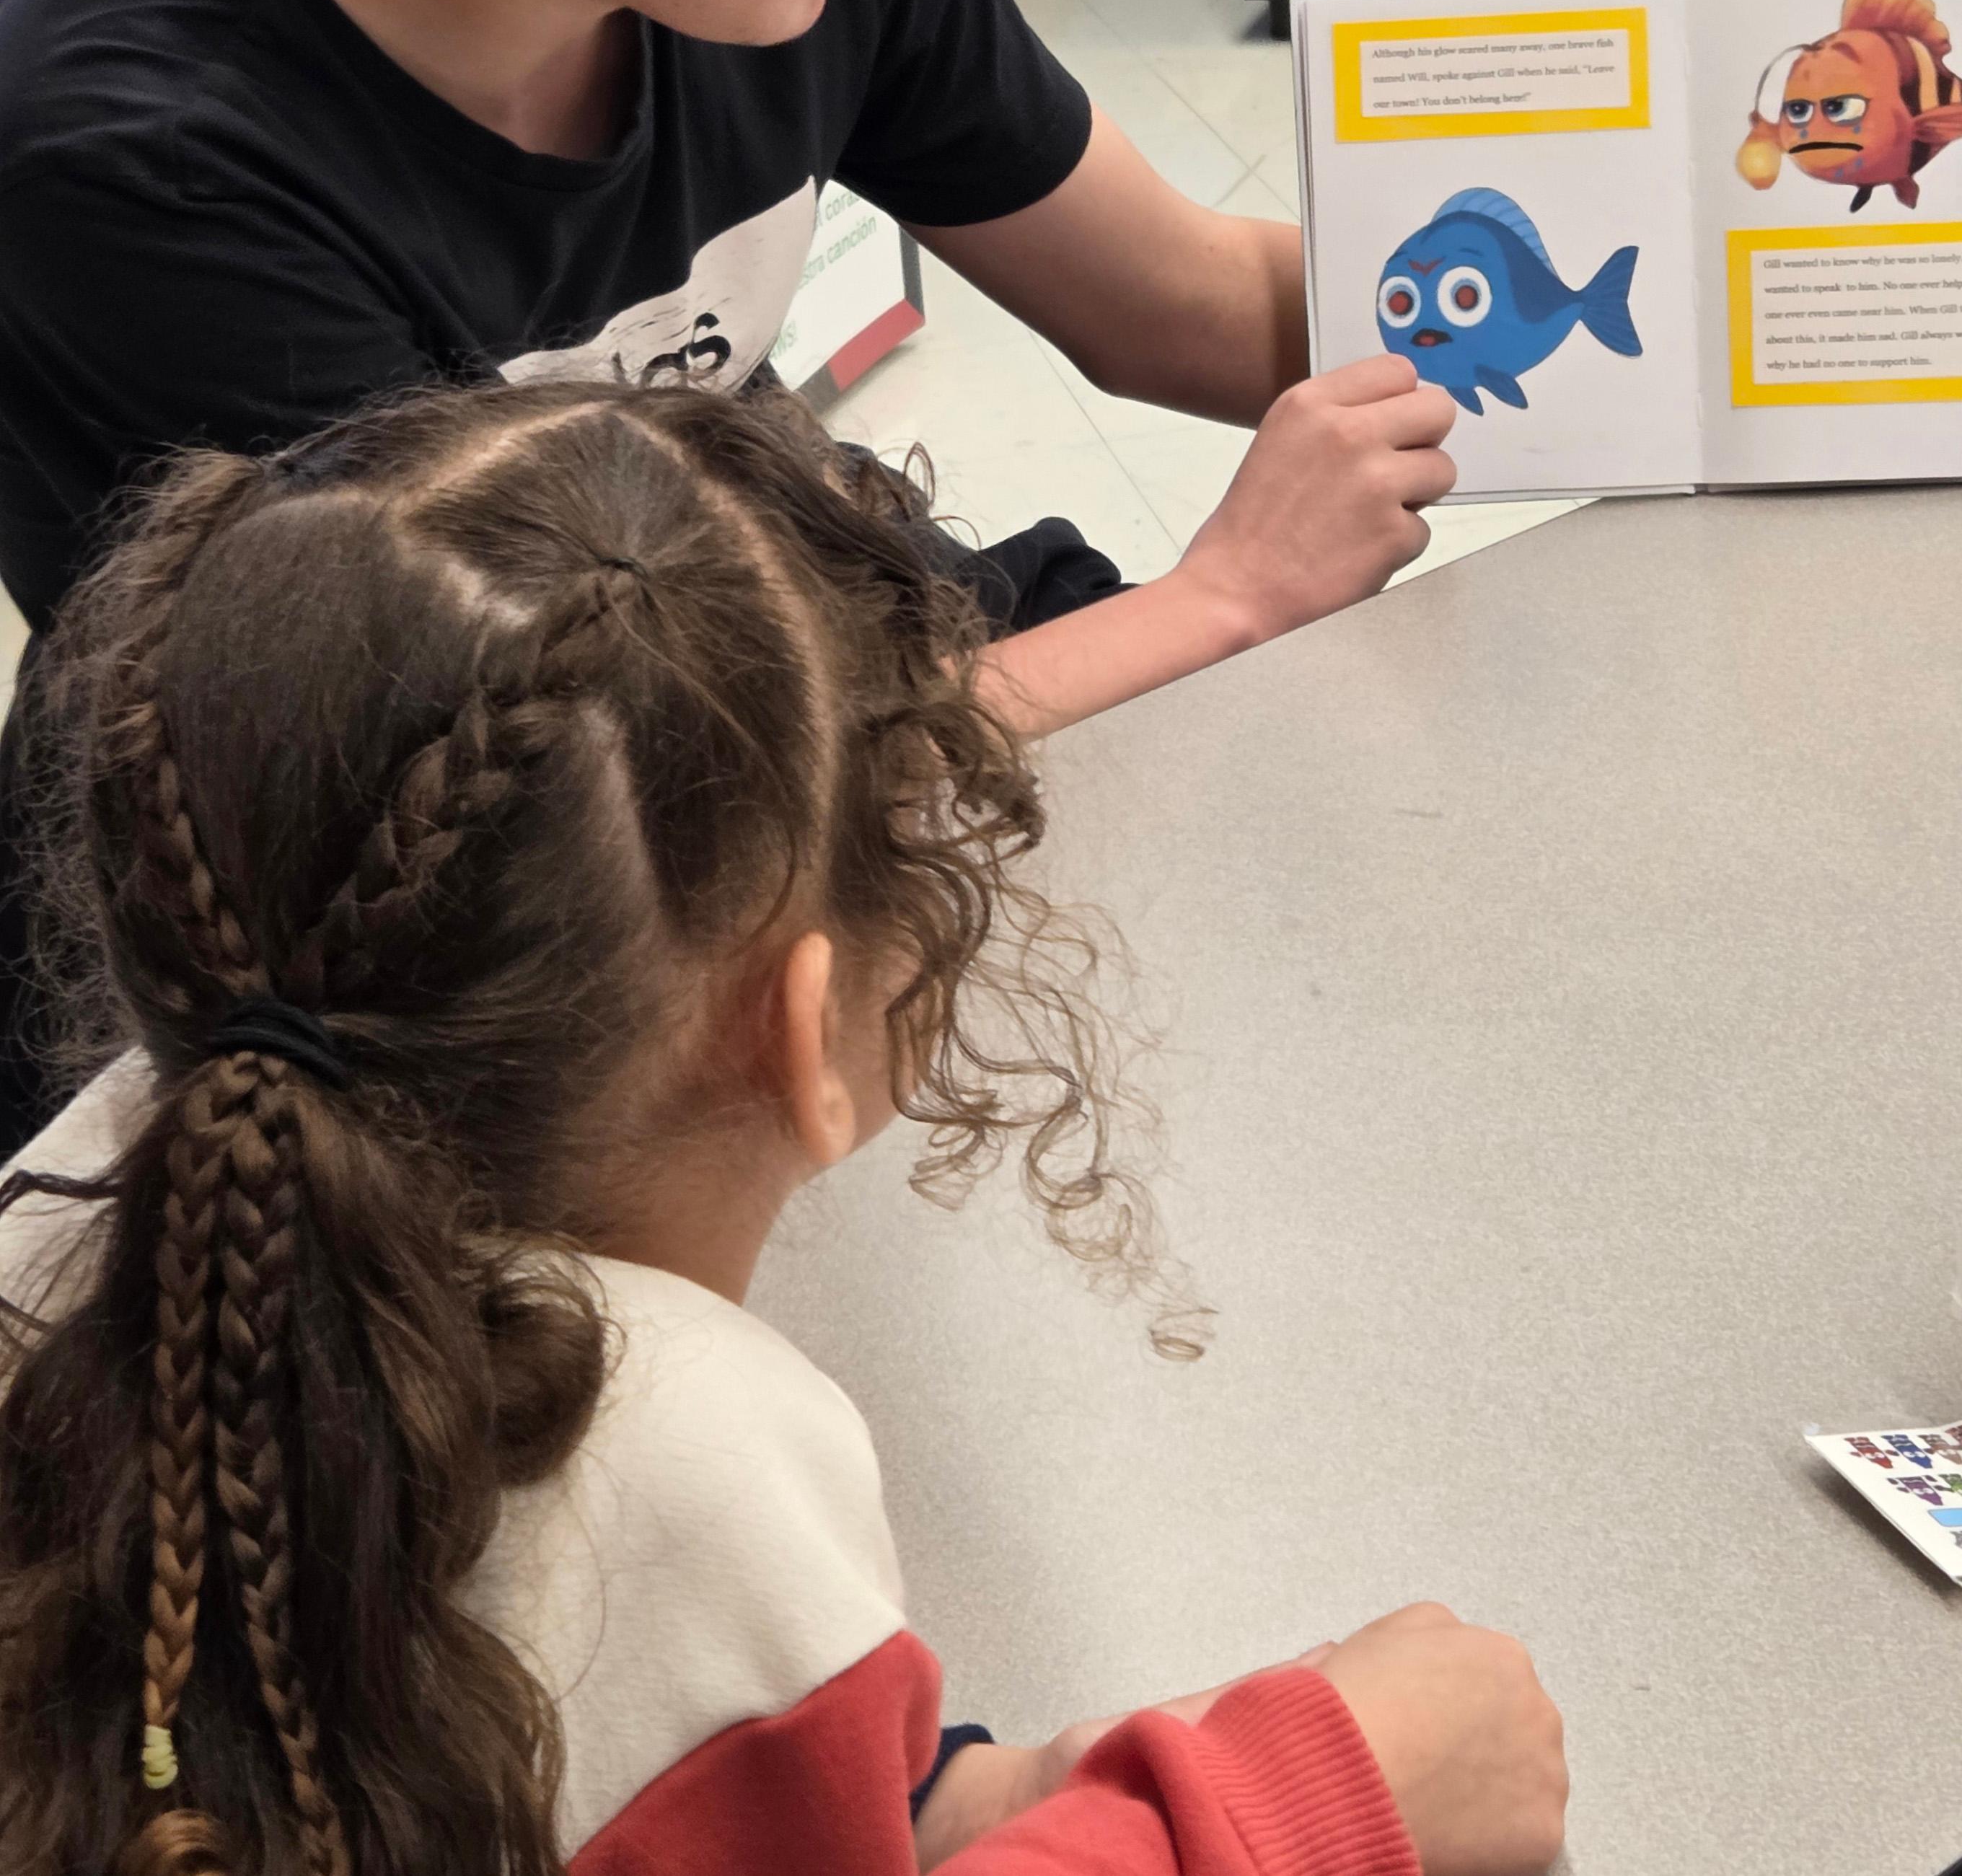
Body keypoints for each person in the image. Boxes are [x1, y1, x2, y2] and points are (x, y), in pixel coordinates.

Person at [0, 0, 1462, 1155]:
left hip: (725, 711)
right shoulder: (132, 164)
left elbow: (1175, 298)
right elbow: (582, 815)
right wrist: (1227, 592)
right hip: (388, 925)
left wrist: (1695, 306)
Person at [0, 376, 1570, 1876]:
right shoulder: (688, 1457)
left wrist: (992, 1788)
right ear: (808, 1025)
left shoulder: (95, 1202)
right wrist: (1288, 1800)